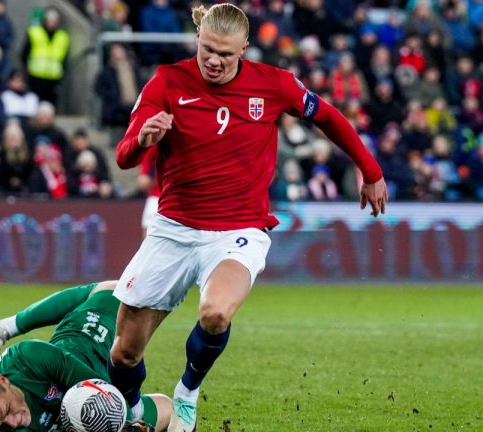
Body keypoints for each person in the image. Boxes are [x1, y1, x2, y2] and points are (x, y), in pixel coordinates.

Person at [108, 4, 388, 432]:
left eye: (225, 53)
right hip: (173, 229)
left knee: (216, 313)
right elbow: (124, 156)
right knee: (124, 353)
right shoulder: (167, 81)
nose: (214, 61)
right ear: (197, 38)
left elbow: (328, 117)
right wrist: (143, 139)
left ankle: (186, 393)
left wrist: (370, 170)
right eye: (206, 50)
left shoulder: (273, 85)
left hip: (239, 230)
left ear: (244, 48)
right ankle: (131, 414)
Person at [0, 281, 171, 431]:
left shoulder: (26, 359)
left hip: (98, 326)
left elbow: (102, 393)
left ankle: (2, 329)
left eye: (6, 410)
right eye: (0, 424)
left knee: (110, 291)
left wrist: (126, 424)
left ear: (3, 380)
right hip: (90, 363)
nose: (13, 423)